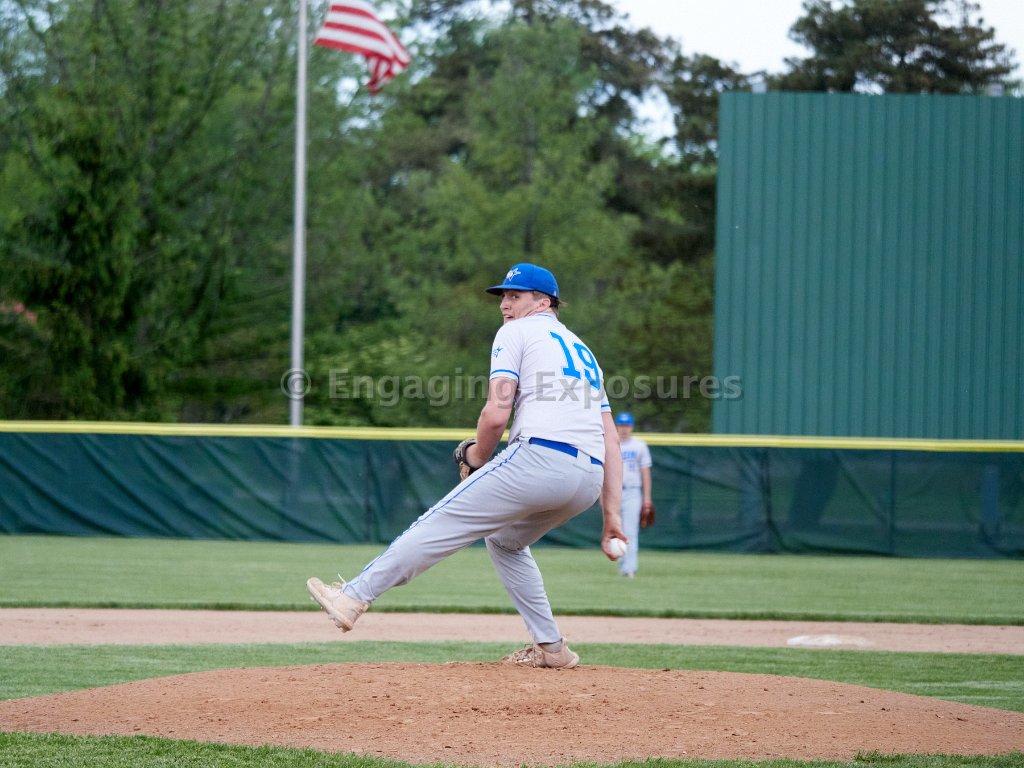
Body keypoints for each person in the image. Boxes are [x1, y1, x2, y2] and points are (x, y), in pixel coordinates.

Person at [307, 263, 625, 669]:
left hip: (540, 458)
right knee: (505, 540)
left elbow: (496, 413)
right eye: (503, 297)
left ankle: (352, 597)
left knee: (440, 522)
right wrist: (611, 516)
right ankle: (551, 648)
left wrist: (476, 457)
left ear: (544, 302)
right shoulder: (585, 354)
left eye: (515, 296)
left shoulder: (516, 332)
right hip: (588, 478)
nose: (505, 305)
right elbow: (611, 440)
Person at [614, 411, 652, 578]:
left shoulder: (639, 446)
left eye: (627, 425)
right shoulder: (611, 444)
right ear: (616, 426)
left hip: (632, 491)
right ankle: (623, 564)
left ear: (632, 427)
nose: (624, 429)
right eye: (621, 425)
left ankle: (630, 568)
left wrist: (647, 499)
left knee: (630, 531)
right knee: (616, 530)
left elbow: (645, 473)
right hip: (614, 492)